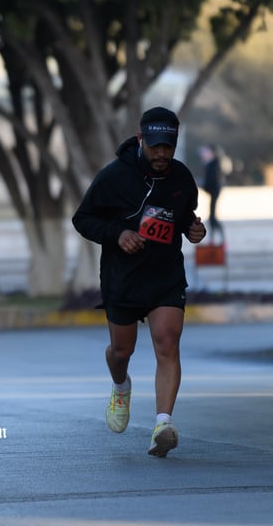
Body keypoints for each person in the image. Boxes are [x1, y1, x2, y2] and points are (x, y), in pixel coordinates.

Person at [72, 107, 207, 458]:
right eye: (155, 146)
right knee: (122, 351)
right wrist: (118, 234)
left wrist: (194, 229)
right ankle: (120, 385)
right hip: (123, 278)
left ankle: (163, 424)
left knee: (167, 343)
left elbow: (185, 218)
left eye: (168, 147)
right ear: (140, 140)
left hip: (165, 276)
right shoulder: (114, 176)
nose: (162, 154)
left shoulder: (181, 178)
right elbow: (82, 219)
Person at [199, 144, 223, 240]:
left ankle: (217, 237)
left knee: (212, 217)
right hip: (213, 191)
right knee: (212, 216)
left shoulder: (214, 164)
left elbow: (212, 180)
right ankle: (214, 237)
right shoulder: (211, 164)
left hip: (214, 191)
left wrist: (203, 185)